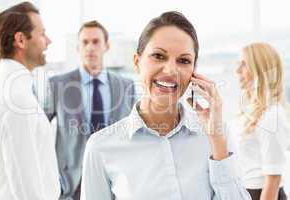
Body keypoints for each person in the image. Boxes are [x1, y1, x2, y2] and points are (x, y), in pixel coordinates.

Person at [81, 11, 251, 200]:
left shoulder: (217, 135)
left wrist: (217, 140)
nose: (171, 70)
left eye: (184, 61)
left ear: (193, 72)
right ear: (137, 62)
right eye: (159, 56)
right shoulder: (101, 147)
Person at [42, 20, 135, 200]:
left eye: (95, 42)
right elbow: (38, 131)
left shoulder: (126, 86)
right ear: (78, 47)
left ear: (106, 45)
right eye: (85, 42)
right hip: (70, 184)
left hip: (115, 181)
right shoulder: (58, 85)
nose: (90, 47)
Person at [0, 2, 60, 200]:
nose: (48, 41)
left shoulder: (7, 88)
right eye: (42, 34)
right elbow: (25, 185)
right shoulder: (15, 99)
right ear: (20, 40)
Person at [234, 42, 289, 200]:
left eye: (244, 65)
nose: (237, 71)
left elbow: (273, 177)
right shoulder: (254, 111)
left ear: (260, 69)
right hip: (249, 191)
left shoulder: (272, 115)